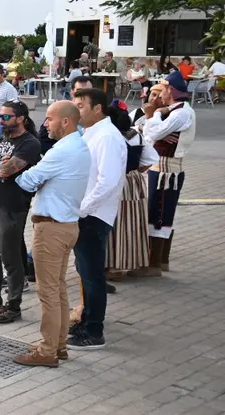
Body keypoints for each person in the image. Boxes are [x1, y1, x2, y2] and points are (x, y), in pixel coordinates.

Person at [12, 101, 92, 367]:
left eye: (49, 119)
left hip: (52, 228)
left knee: (48, 292)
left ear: (65, 122)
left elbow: (27, 180)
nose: (45, 124)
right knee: (57, 288)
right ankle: (58, 345)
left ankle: (47, 351)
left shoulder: (61, 151)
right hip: (67, 225)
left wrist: (20, 173)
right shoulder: (79, 146)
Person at [69, 87, 126, 350]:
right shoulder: (90, 133)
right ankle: (86, 321)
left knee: (92, 275)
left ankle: (94, 331)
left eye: (81, 106)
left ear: (97, 108)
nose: (76, 110)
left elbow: (108, 181)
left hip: (93, 216)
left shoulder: (107, 137)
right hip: (85, 213)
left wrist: (82, 209)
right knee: (85, 272)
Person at [0, 100, 41, 324]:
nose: (0, 121)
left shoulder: (30, 143)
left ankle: (13, 305)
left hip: (13, 207)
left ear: (20, 118)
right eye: (0, 116)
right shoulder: (1, 140)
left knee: (10, 257)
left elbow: (5, 170)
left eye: (6, 117)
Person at [136, 71, 196, 276]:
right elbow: (150, 133)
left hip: (167, 171)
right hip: (161, 168)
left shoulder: (181, 113)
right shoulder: (175, 110)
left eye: (162, 90)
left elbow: (153, 132)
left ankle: (154, 264)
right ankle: (160, 261)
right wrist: (155, 124)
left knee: (159, 214)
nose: (159, 95)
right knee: (158, 211)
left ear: (170, 90)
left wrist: (153, 116)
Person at [104, 101, 156, 282]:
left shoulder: (109, 137)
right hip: (133, 183)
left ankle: (113, 266)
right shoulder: (136, 136)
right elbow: (150, 159)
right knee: (132, 222)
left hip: (114, 181)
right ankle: (131, 263)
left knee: (114, 223)